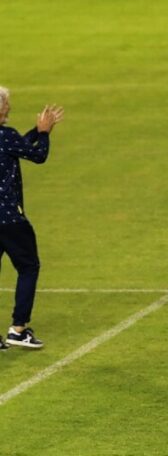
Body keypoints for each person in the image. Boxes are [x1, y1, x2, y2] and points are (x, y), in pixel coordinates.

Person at [0, 86, 63, 349]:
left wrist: (36, 132)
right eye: (6, 103)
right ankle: (18, 329)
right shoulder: (5, 135)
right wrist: (45, 134)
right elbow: (37, 155)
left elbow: (15, 147)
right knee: (28, 267)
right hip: (9, 219)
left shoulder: (7, 137)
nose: (10, 107)